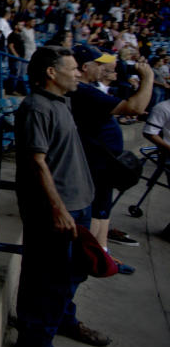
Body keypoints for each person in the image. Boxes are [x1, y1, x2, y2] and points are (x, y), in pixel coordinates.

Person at [14, 46, 108, 347]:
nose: (79, 73)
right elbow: (37, 163)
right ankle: (38, 341)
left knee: (68, 274)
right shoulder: (36, 109)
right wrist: (58, 208)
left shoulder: (62, 101)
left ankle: (60, 321)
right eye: (73, 68)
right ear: (51, 73)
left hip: (77, 203)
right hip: (57, 210)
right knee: (51, 276)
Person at [69, 45, 152, 259]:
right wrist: (148, 78)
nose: (102, 67)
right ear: (85, 67)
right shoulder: (83, 91)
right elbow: (135, 108)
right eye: (98, 64)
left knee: (103, 207)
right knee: (98, 209)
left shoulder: (90, 88)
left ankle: (102, 254)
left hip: (104, 160)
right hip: (96, 160)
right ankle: (94, 258)